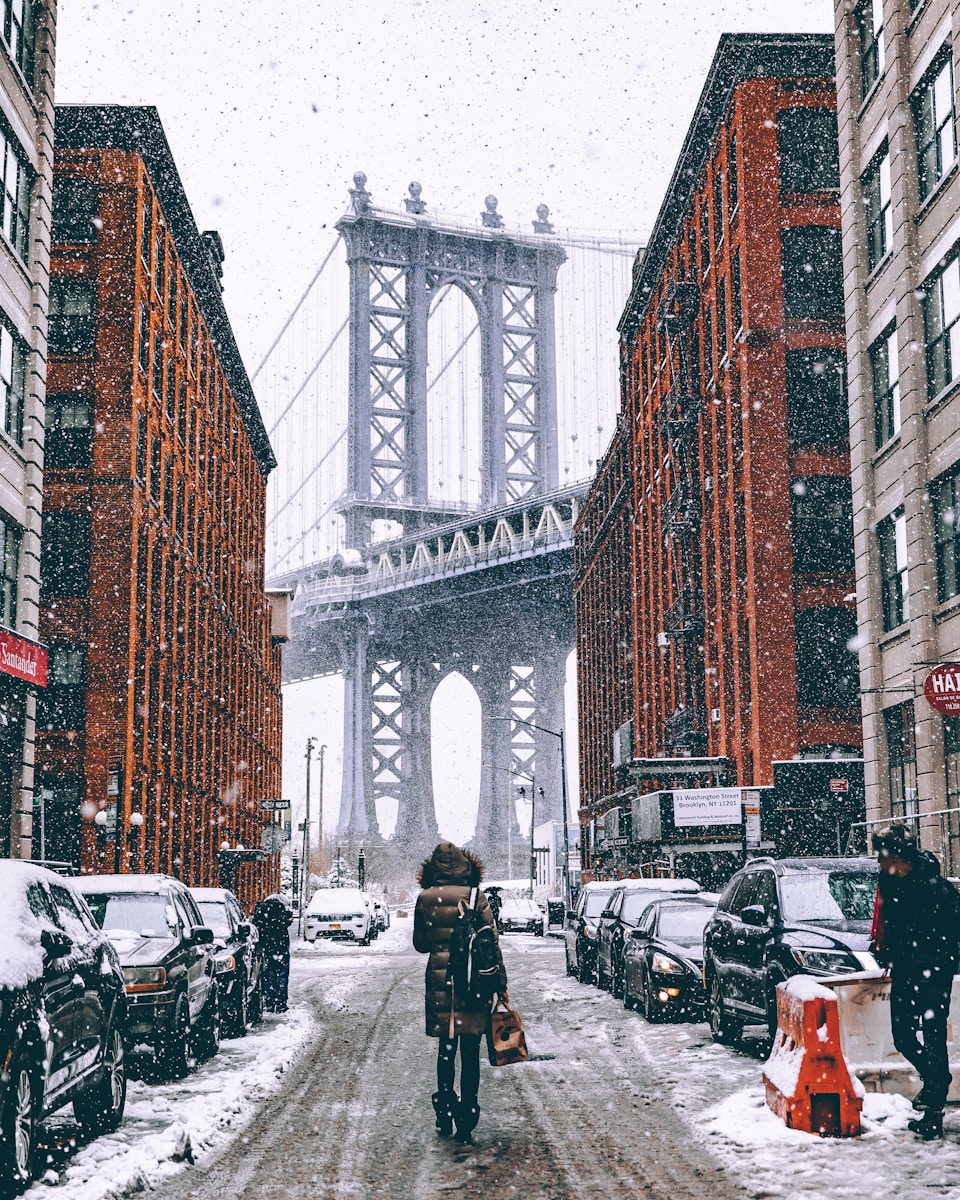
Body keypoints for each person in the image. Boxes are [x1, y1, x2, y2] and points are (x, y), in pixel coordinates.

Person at [413, 841, 507, 1144]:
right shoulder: (476, 897)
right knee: (470, 1052)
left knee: (446, 1050)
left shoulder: (425, 898)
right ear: (466, 865)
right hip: (474, 984)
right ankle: (467, 1111)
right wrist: (500, 986)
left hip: (442, 982)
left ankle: (444, 1107)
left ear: (433, 868)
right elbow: (491, 945)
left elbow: (421, 944)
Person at [871, 823, 960, 1139]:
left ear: (898, 856)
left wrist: (939, 962)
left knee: (934, 1037)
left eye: (881, 857)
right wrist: (885, 951)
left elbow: (953, 933)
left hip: (934, 973)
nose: (879, 864)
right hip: (907, 972)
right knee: (904, 1037)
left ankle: (933, 1113)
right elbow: (890, 925)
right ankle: (937, 1080)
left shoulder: (936, 887)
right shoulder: (890, 882)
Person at [253, 893, 293, 1013]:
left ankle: (269, 1001)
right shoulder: (281, 910)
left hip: (266, 947)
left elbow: (256, 925)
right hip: (281, 947)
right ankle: (280, 1002)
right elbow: (286, 922)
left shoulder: (262, 911)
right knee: (282, 974)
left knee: (267, 974)